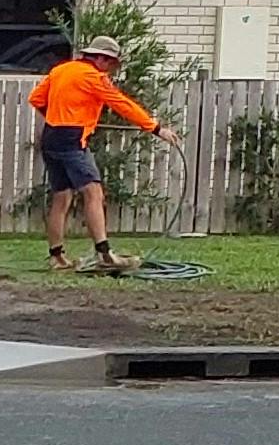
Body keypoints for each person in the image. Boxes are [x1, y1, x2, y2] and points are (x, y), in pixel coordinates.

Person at [27, 34, 173, 275]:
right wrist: (156, 128)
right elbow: (122, 104)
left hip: (51, 135)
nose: (112, 70)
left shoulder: (61, 70)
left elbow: (36, 99)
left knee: (61, 197)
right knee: (93, 192)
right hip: (71, 139)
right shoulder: (94, 78)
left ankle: (57, 257)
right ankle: (105, 255)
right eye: (112, 64)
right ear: (102, 59)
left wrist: (61, 117)